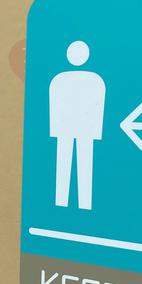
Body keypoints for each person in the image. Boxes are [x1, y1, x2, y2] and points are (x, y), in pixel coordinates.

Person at [49, 40, 106, 211]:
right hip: (76, 130)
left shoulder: (58, 80)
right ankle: (77, 203)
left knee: (69, 164)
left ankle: (67, 202)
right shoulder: (96, 80)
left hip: (70, 130)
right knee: (81, 164)